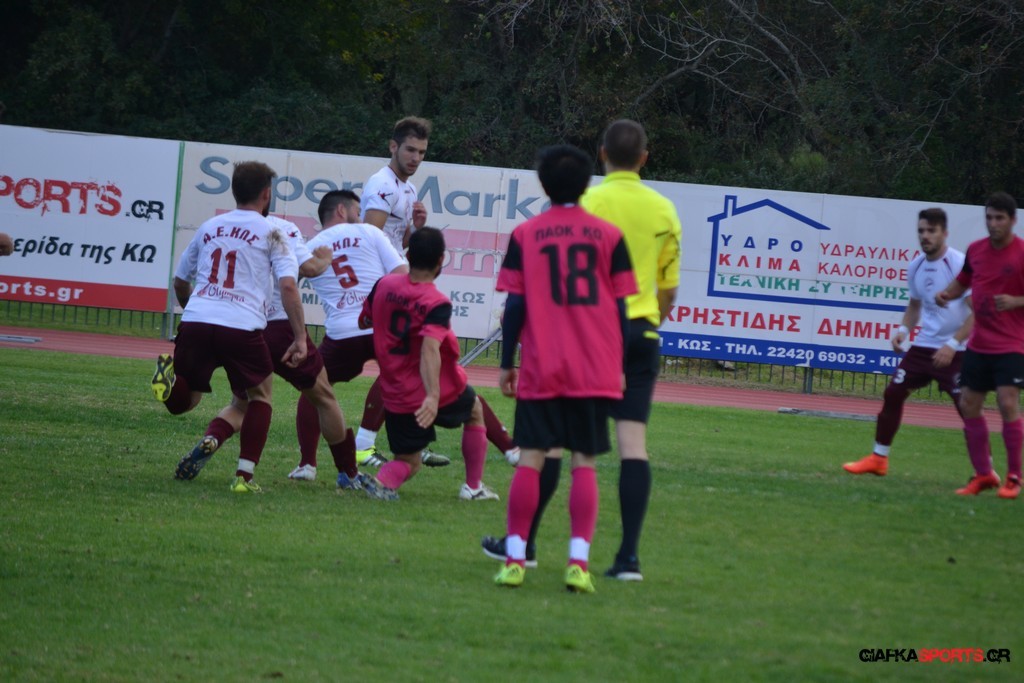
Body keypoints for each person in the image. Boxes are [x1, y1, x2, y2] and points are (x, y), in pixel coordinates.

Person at [482, 119, 682, 581]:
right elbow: (656, 289)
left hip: (556, 351)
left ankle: (522, 550)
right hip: (622, 341)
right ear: (644, 157)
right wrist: (641, 332)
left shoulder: (556, 218)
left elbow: (519, 300)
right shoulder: (655, 212)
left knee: (541, 452)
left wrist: (508, 360)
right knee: (619, 451)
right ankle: (613, 560)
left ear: (602, 155)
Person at [491, 144, 637, 594]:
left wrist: (507, 362)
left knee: (531, 460)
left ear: (543, 184)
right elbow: (622, 307)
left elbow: (515, 305)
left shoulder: (525, 234)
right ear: (588, 183)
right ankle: (578, 564)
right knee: (584, 463)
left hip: (543, 366)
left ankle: (515, 560)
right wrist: (620, 364)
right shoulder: (610, 236)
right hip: (594, 368)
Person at [292, 191, 521, 475]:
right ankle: (508, 448)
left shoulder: (309, 248)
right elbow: (403, 275)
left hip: (342, 332)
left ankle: (307, 464)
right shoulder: (369, 232)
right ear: (341, 210)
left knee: (314, 388)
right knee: (431, 382)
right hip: (382, 327)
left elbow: (288, 285)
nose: (361, 216)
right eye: (357, 210)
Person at [171, 210, 381, 495]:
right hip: (280, 326)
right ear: (265, 196)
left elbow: (183, 280)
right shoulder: (280, 228)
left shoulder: (220, 226)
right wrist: (324, 260)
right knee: (323, 397)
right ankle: (348, 472)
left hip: (243, 325)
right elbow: (306, 270)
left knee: (242, 403)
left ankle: (214, 437)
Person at [150, 161, 306, 493]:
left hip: (198, 318)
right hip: (241, 325)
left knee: (186, 400)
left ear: (234, 190)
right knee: (261, 396)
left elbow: (180, 281)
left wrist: (193, 310)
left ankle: (170, 383)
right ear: (267, 194)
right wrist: (300, 336)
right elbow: (288, 286)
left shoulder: (210, 226)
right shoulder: (273, 232)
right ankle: (243, 478)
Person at [358, 226, 500, 502]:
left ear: (408, 256)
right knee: (474, 409)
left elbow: (364, 320)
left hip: (394, 392)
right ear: (441, 260)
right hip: (425, 392)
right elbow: (430, 349)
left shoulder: (384, 284)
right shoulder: (436, 302)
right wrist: (433, 396)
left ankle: (381, 481)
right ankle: (473, 488)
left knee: (409, 462)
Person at [843, 208, 972, 476]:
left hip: (956, 350)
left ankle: (986, 471)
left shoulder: (959, 264)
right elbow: (915, 305)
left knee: (968, 407)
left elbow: (978, 312)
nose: (925, 236)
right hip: (923, 348)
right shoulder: (916, 266)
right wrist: (903, 329)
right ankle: (878, 458)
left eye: (931, 231)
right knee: (893, 394)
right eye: (921, 231)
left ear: (944, 233)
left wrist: (952, 344)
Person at [936, 192, 1024, 499]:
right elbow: (964, 280)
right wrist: (947, 294)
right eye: (989, 217)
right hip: (979, 344)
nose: (993, 223)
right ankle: (984, 474)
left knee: (1007, 402)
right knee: (969, 404)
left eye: (999, 218)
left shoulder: (1021, 253)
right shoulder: (976, 249)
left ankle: (1014, 478)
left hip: (1012, 344)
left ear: (1012, 220)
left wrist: (1016, 301)